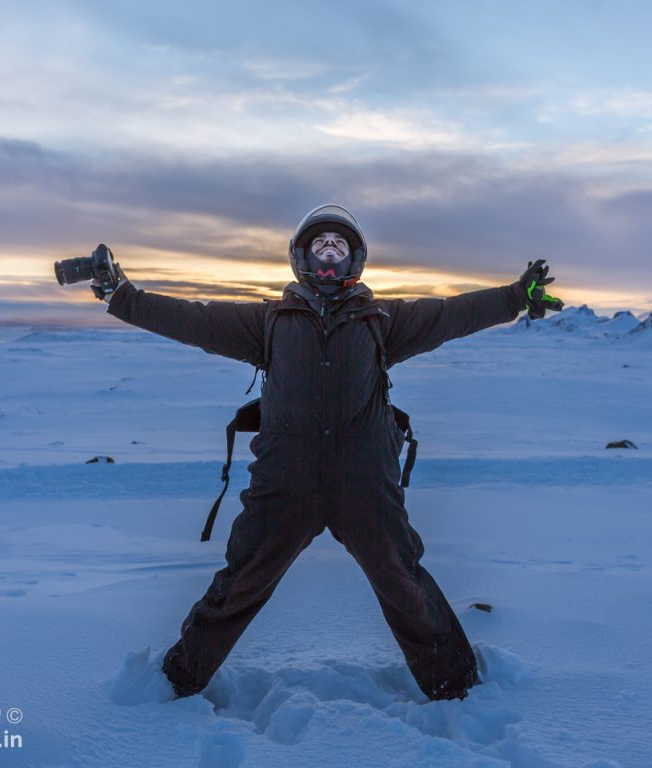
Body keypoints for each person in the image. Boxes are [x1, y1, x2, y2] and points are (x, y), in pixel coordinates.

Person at [90, 204, 561, 701]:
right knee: (239, 584)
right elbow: (194, 320)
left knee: (404, 582)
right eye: (321, 247)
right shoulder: (270, 321)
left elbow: (450, 315)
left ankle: (457, 690)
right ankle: (174, 685)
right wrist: (123, 296)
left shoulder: (383, 320)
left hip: (366, 488)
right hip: (283, 487)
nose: (330, 255)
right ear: (301, 258)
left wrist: (513, 297)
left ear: (355, 259)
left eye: (339, 246)